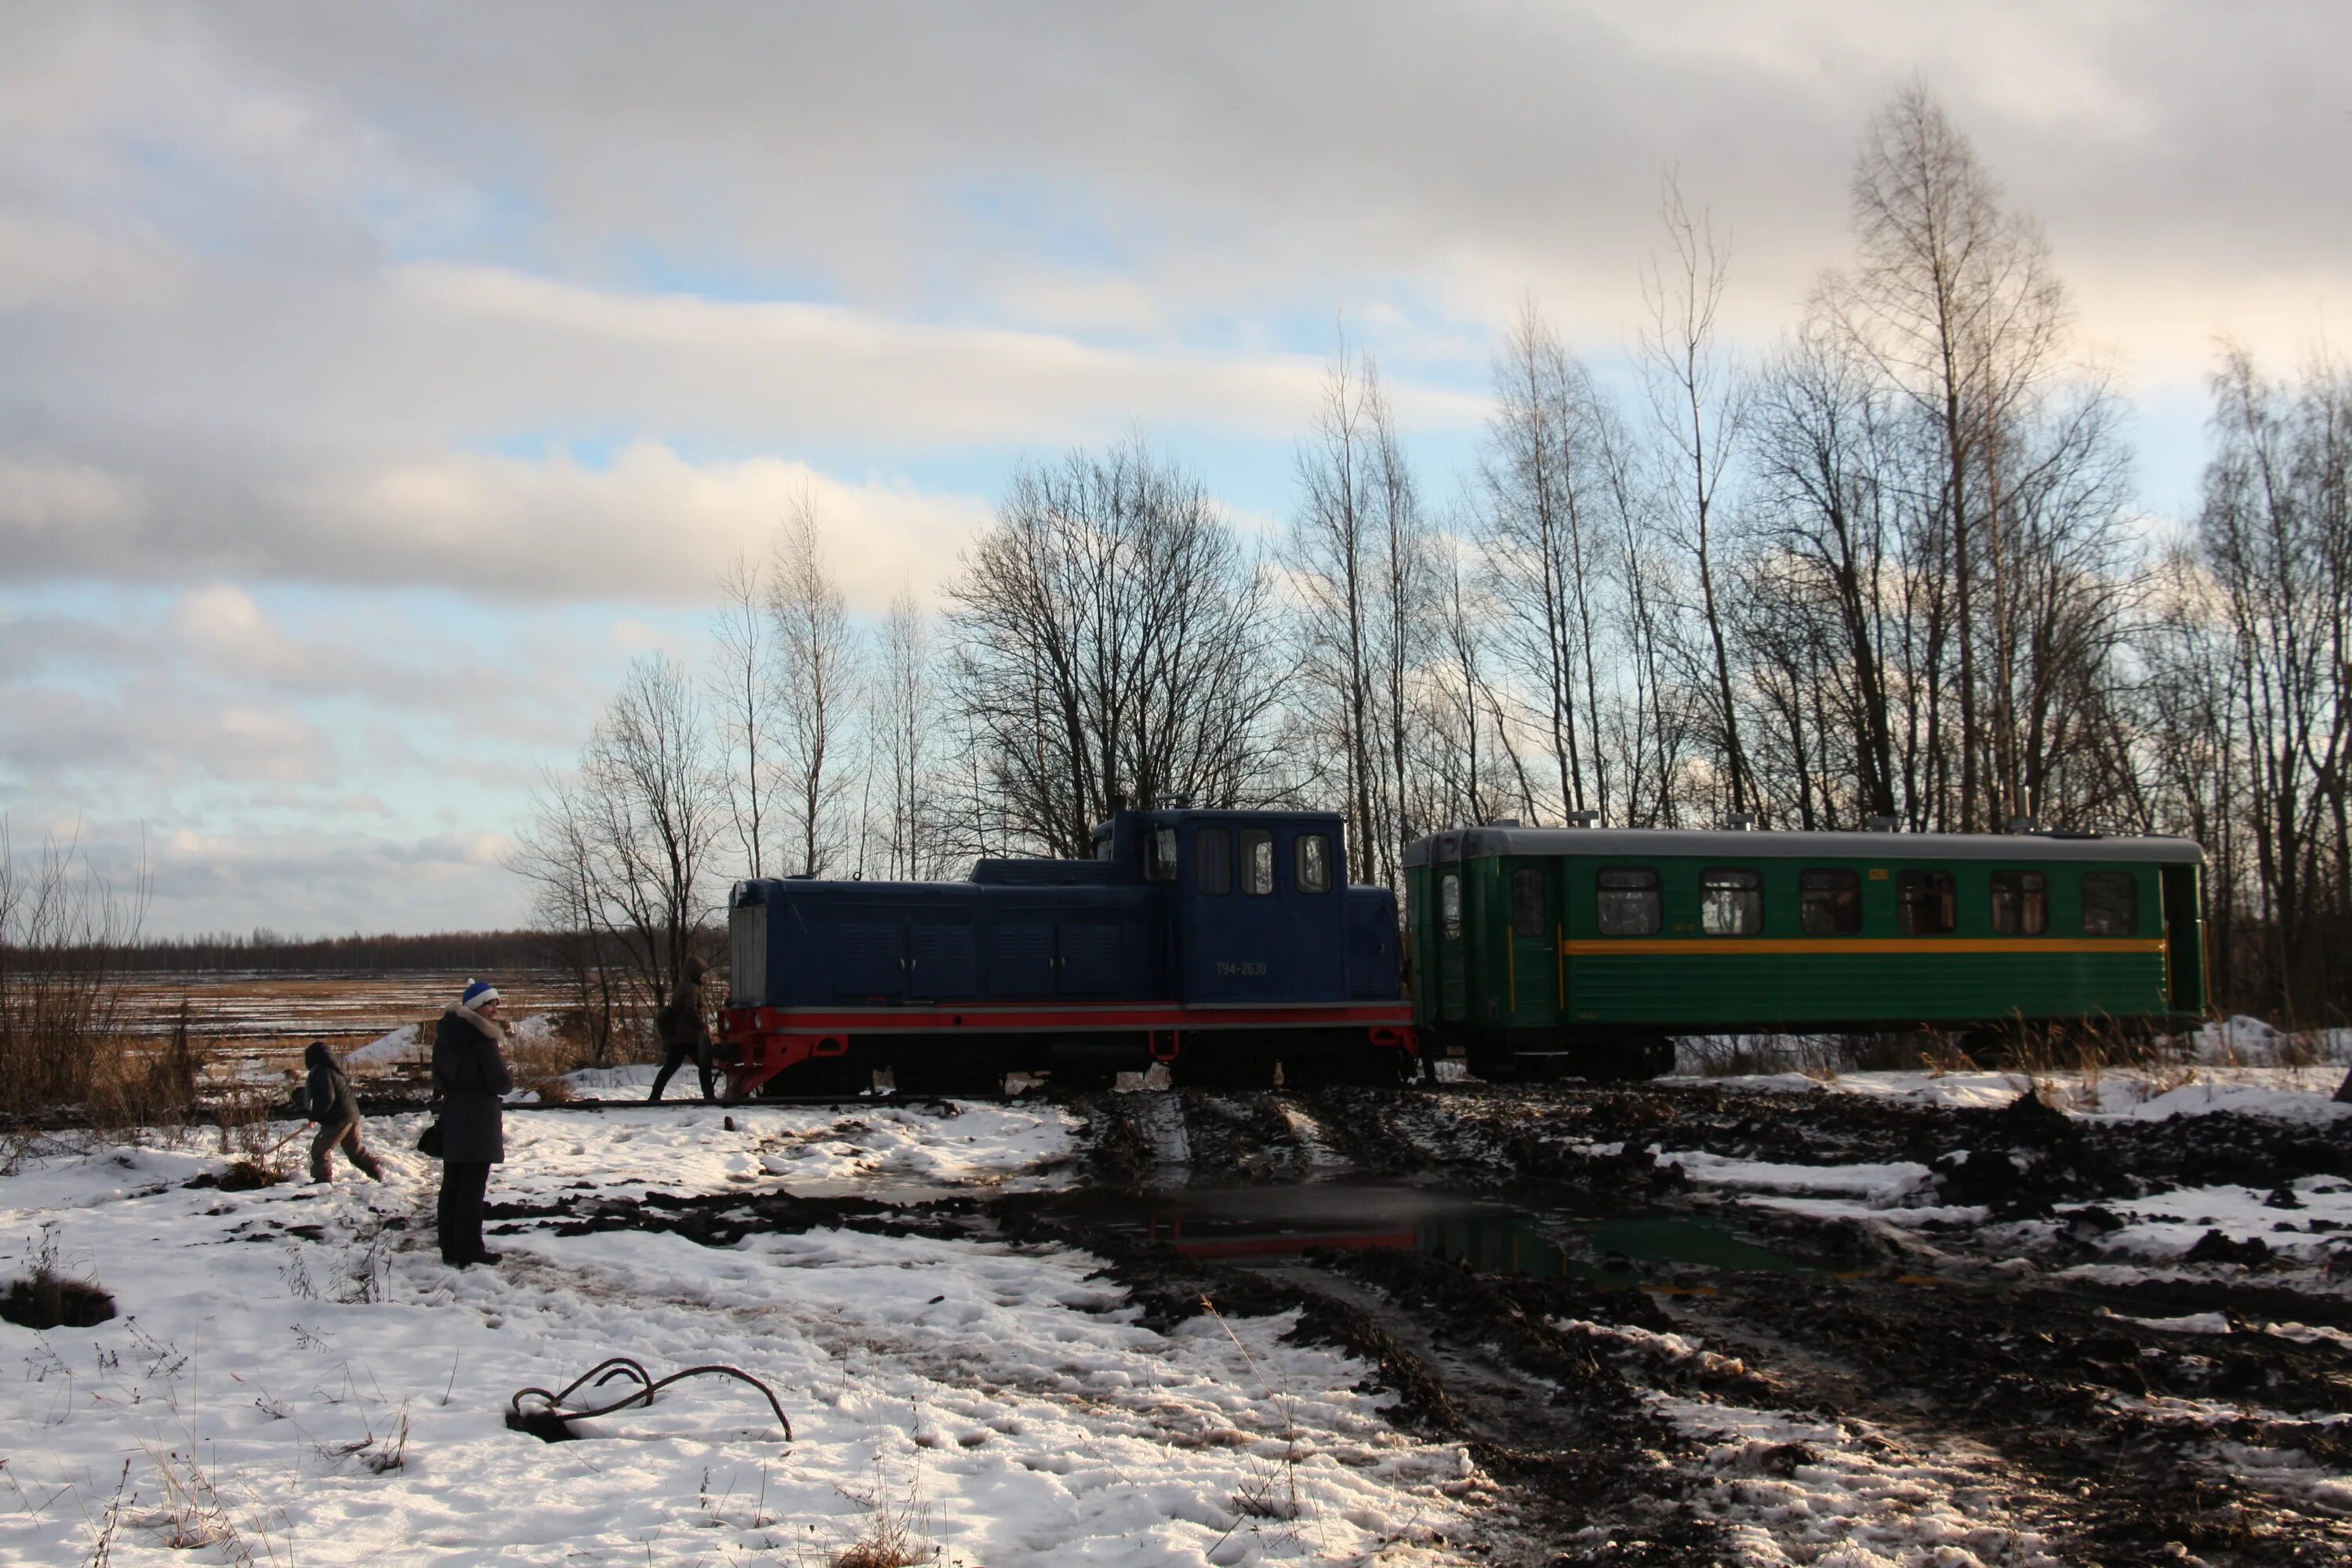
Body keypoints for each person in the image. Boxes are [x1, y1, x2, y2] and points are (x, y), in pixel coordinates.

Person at [432, 978, 514, 1267]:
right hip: (478, 1118)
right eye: (491, 1004)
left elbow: (438, 1079)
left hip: (453, 1114)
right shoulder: (482, 1039)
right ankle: (470, 1249)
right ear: (477, 1006)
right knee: (472, 1188)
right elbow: (501, 1083)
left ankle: (450, 1247)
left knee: (453, 1183)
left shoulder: (445, 1036)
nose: (495, 1010)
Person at [302, 1040, 384, 1183]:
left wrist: (315, 1115)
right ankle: (376, 1172)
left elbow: (327, 1098)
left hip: (338, 1119)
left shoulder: (322, 1072)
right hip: (351, 1116)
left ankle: (322, 1181)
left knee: (320, 1149)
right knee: (355, 1152)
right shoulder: (334, 1069)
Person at [648, 957, 717, 1103]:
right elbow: (691, 1010)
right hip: (689, 1036)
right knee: (704, 1064)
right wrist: (702, 1025)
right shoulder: (691, 988)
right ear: (695, 973)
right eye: (701, 973)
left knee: (670, 1067)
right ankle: (709, 1096)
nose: (703, 976)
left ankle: (655, 1095)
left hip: (677, 1037)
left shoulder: (682, 986)